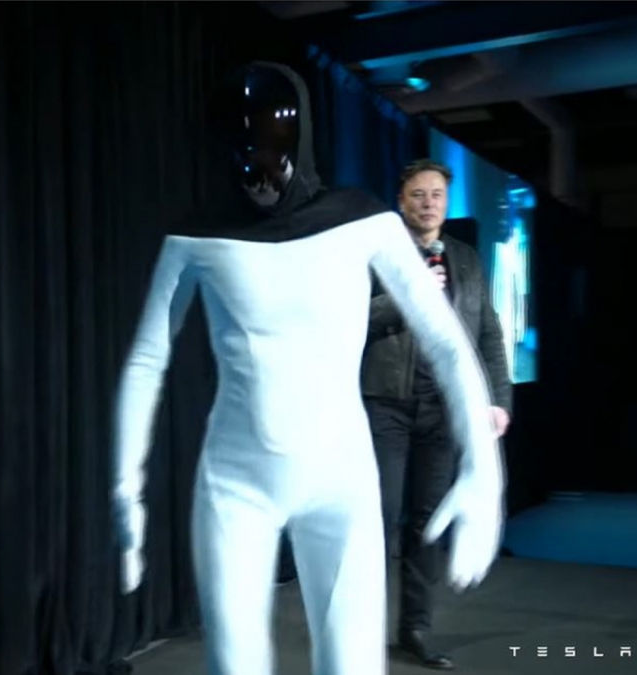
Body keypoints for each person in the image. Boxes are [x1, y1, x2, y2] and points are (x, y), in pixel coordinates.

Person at [112, 62, 504, 675]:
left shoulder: (362, 221)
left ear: (301, 138)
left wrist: (485, 468)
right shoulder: (197, 236)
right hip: (235, 484)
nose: (261, 162)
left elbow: (448, 342)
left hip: (340, 479)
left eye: (274, 140)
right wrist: (124, 488)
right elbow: (146, 358)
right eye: (244, 144)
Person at [361, 159, 514, 670]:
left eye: (436, 195)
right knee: (378, 518)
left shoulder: (466, 259)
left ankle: (416, 628)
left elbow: (487, 332)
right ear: (400, 201)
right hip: (386, 404)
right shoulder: (377, 253)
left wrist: (498, 400)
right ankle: (358, 628)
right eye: (418, 194)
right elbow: (351, 318)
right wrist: (408, 296)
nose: (428, 203)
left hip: (445, 409)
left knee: (428, 522)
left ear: (446, 204)